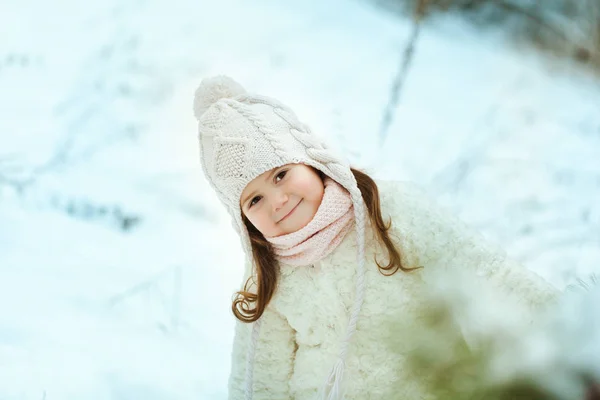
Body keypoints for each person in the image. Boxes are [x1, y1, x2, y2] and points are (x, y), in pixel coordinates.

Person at [192, 76, 558, 400]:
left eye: (281, 174)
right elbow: (259, 375)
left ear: (311, 160)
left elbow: (488, 274)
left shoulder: (393, 211)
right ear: (242, 220)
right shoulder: (268, 275)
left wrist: (566, 326)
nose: (278, 201)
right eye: (254, 199)